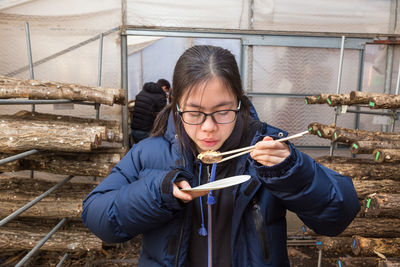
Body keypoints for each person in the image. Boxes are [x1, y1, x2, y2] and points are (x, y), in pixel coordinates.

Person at [82, 45, 360, 266]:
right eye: (194, 113)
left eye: (223, 111)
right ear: (176, 106)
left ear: (239, 103)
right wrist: (159, 192)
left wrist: (293, 173)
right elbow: (97, 216)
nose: (208, 127)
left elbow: (338, 216)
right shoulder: (149, 153)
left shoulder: (270, 148)